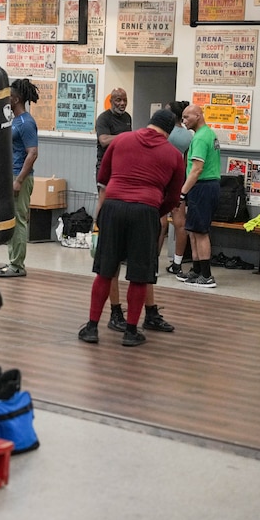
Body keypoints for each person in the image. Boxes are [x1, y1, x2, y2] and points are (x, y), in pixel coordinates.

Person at [79, 110, 185, 347]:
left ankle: (91, 328)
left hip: (113, 207)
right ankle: (130, 332)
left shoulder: (121, 140)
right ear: (169, 131)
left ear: (149, 123)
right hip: (145, 211)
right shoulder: (174, 155)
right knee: (139, 274)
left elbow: (103, 177)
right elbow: (174, 197)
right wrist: (153, 211)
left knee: (105, 271)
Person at [94, 88, 132, 330]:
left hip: (123, 167)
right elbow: (104, 140)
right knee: (104, 200)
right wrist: (126, 139)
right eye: (118, 100)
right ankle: (98, 232)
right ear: (111, 101)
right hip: (105, 166)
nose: (122, 103)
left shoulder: (127, 119)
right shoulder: (104, 119)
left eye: (124, 100)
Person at [0, 78, 39, 279]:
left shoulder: (27, 123)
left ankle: (18, 265)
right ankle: (13, 261)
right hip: (10, 174)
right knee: (11, 219)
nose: (7, 99)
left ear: (17, 99)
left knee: (19, 220)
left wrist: (19, 180)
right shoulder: (14, 121)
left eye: (9, 96)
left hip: (20, 176)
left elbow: (33, 153)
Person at [176, 104, 222, 288]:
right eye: (183, 117)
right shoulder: (207, 134)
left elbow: (196, 170)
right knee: (194, 230)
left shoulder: (202, 138)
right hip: (203, 186)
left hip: (203, 186)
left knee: (201, 232)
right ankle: (196, 270)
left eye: (187, 117)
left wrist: (182, 192)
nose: (184, 121)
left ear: (198, 115)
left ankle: (207, 275)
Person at [165, 100, 192, 276]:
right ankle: (177, 263)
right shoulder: (189, 135)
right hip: (180, 179)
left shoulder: (164, 133)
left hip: (162, 179)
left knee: (159, 223)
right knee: (180, 223)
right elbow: (187, 161)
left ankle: (151, 262)